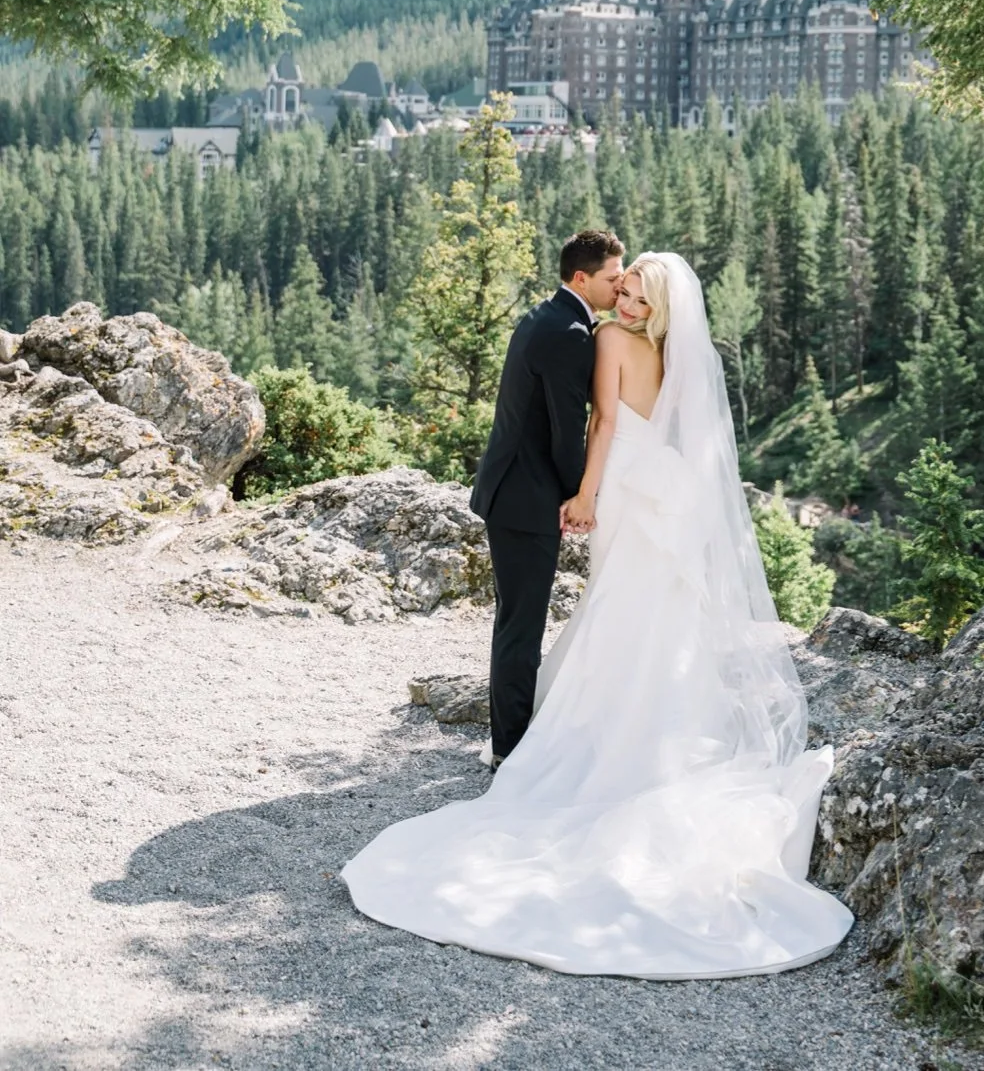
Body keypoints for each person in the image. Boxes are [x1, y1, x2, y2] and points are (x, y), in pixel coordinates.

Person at [344, 251, 853, 977]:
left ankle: (592, 735)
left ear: (656, 307)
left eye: (639, 295)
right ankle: (660, 726)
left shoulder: (611, 340)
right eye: (625, 287)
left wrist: (584, 494)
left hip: (623, 481)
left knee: (622, 602)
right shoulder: (672, 354)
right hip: (666, 488)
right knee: (654, 607)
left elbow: (606, 422)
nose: (626, 301)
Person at [469, 227, 623, 766]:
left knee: (516, 619)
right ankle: (509, 751)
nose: (619, 284)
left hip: (512, 489)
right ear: (581, 277)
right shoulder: (571, 333)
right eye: (611, 277)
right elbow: (566, 429)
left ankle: (508, 739)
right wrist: (580, 496)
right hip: (524, 500)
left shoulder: (552, 316)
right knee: (521, 626)